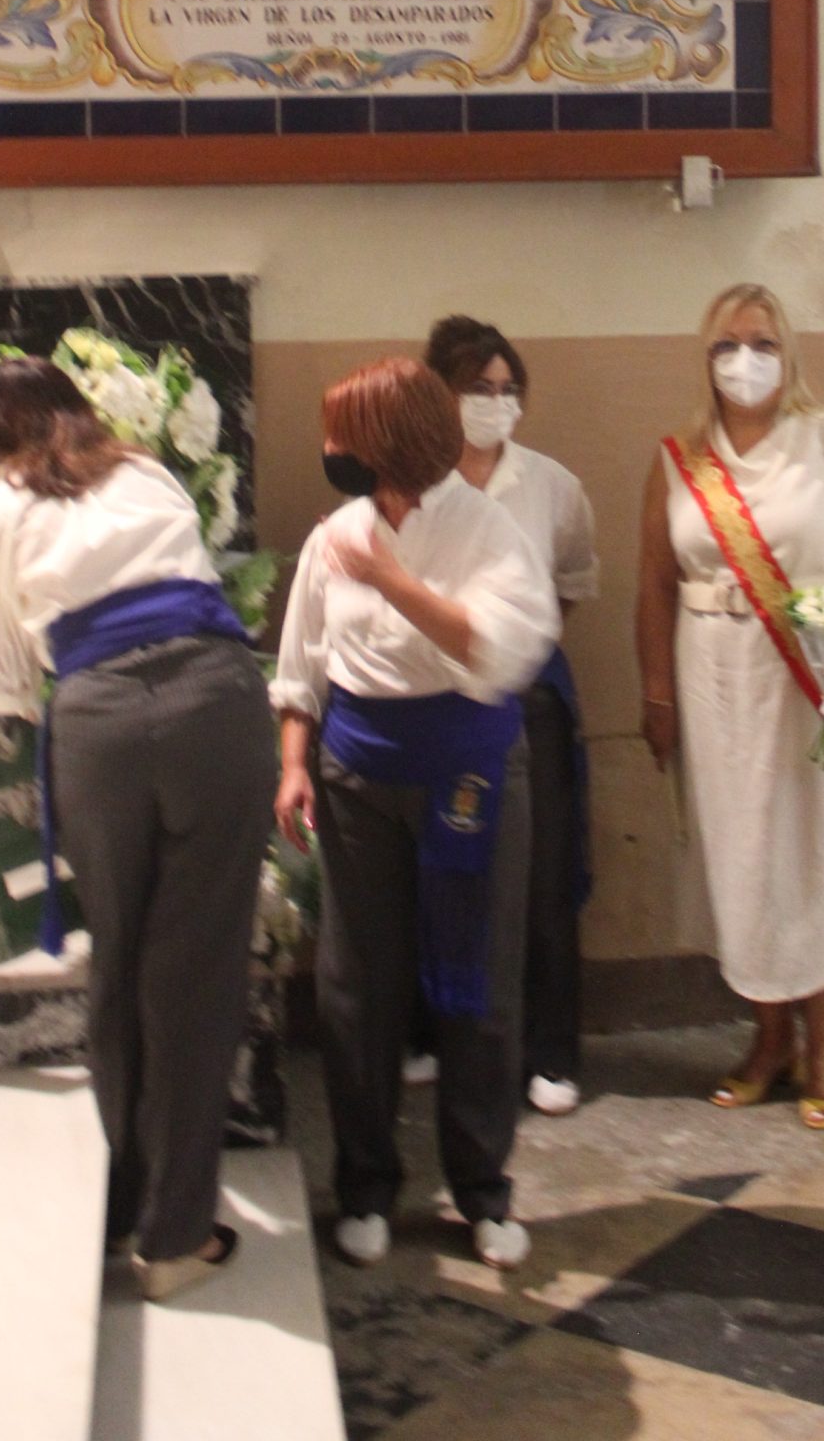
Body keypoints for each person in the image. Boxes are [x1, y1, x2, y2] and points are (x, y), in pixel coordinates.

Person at [0, 358, 275, 1301]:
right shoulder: (143, 470)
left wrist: (52, 688)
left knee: (119, 968)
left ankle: (128, 1203)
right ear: (77, 411)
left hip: (97, 725)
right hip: (215, 703)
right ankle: (175, 1238)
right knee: (194, 979)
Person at [272, 357, 557, 1270]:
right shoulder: (336, 535)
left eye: (342, 436)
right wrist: (293, 763)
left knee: (479, 979)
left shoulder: (488, 529)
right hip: (359, 775)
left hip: (469, 775)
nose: (330, 451)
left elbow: (499, 648)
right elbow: (301, 662)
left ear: (387, 444)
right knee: (356, 986)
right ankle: (364, 1186)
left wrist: (390, 580)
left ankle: (482, 1189)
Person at [634, 284, 824, 1127]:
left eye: (760, 344)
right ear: (704, 358)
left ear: (788, 354)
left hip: (807, 682)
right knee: (742, 857)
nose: (742, 360)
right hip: (713, 681)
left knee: (814, 856)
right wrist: (655, 692)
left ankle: (823, 1048)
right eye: (725, 345)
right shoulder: (679, 459)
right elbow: (653, 583)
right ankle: (767, 1038)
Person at [424, 315, 598, 1117]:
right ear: (440, 395)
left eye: (506, 389)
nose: (494, 404)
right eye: (477, 389)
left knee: (543, 876)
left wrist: (518, 644)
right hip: (434, 699)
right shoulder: (414, 481)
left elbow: (571, 580)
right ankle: (434, 1034)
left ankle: (550, 1051)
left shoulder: (551, 486)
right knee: (440, 870)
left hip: (527, 698)